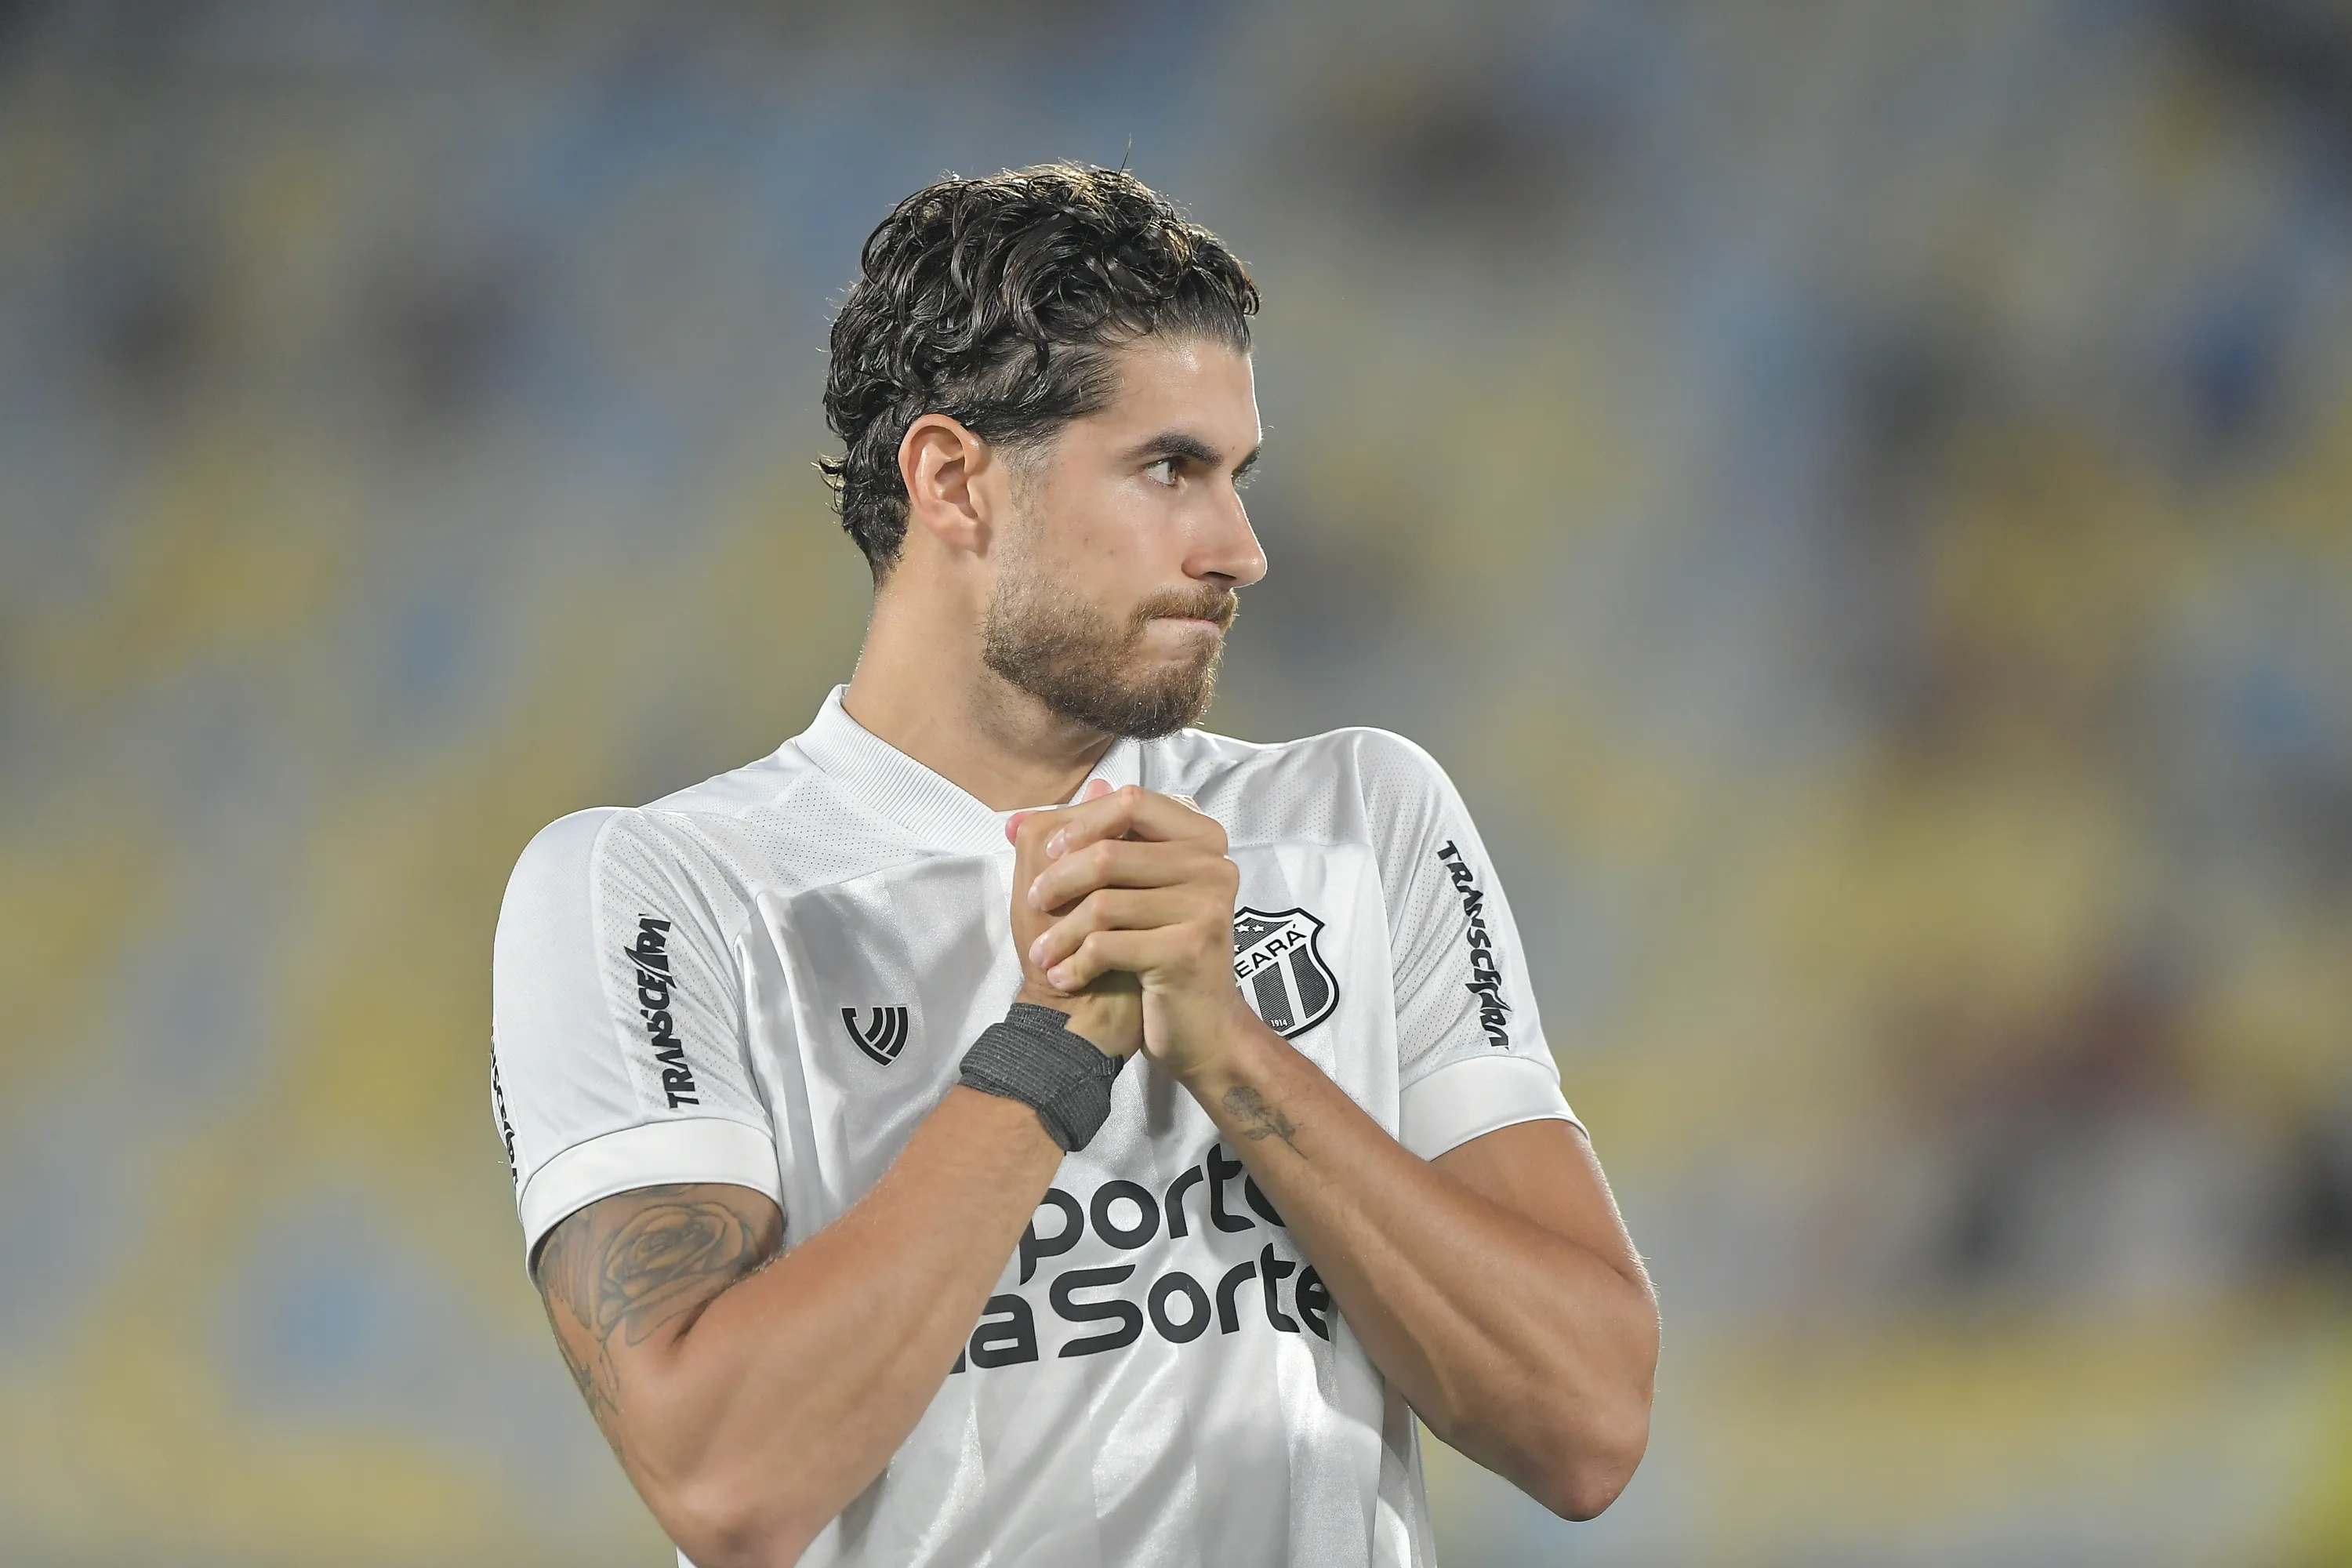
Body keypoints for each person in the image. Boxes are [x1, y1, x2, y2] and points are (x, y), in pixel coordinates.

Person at [490, 162, 1657, 1568]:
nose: (1242, 550)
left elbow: (1588, 1425)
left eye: (1237, 477)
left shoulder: (1356, 822)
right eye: (1170, 469)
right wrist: (1054, 1046)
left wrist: (1233, 1050)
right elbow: (730, 1481)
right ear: (953, 482)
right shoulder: (657, 892)